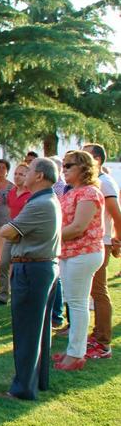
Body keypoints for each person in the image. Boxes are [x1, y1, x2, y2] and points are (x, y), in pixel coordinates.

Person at [0, 158, 60, 400]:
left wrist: (10, 230)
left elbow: (7, 231)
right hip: (40, 268)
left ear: (40, 176)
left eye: (31, 170)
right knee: (37, 329)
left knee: (27, 330)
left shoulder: (39, 204)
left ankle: (23, 388)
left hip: (33, 270)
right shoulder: (45, 200)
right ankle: (37, 381)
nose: (24, 173)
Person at [52, 150, 105, 371]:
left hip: (83, 254)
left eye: (68, 165)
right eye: (63, 165)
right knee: (75, 303)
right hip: (71, 254)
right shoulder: (72, 192)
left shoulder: (89, 193)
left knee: (78, 304)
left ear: (83, 168)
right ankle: (74, 351)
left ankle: (75, 355)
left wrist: (50, 238)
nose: (63, 170)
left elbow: (78, 227)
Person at [82, 143, 120, 360]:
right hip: (91, 243)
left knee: (98, 292)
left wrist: (117, 240)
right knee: (91, 292)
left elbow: (116, 213)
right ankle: (95, 335)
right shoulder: (95, 182)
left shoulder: (105, 182)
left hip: (101, 242)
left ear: (95, 158)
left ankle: (103, 343)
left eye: (84, 153)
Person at [0, 162, 31, 306]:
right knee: (3, 263)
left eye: (22, 174)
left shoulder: (31, 194)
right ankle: (2, 296)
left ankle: (20, 296)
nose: (18, 177)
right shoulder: (12, 192)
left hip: (26, 234)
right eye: (16, 174)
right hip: (11, 231)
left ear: (28, 176)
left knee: (21, 267)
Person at [0, 159, 14, 275]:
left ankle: (6, 277)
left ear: (7, 171)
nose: (0, 170)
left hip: (5, 223)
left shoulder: (11, 187)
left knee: (4, 254)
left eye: (3, 167)